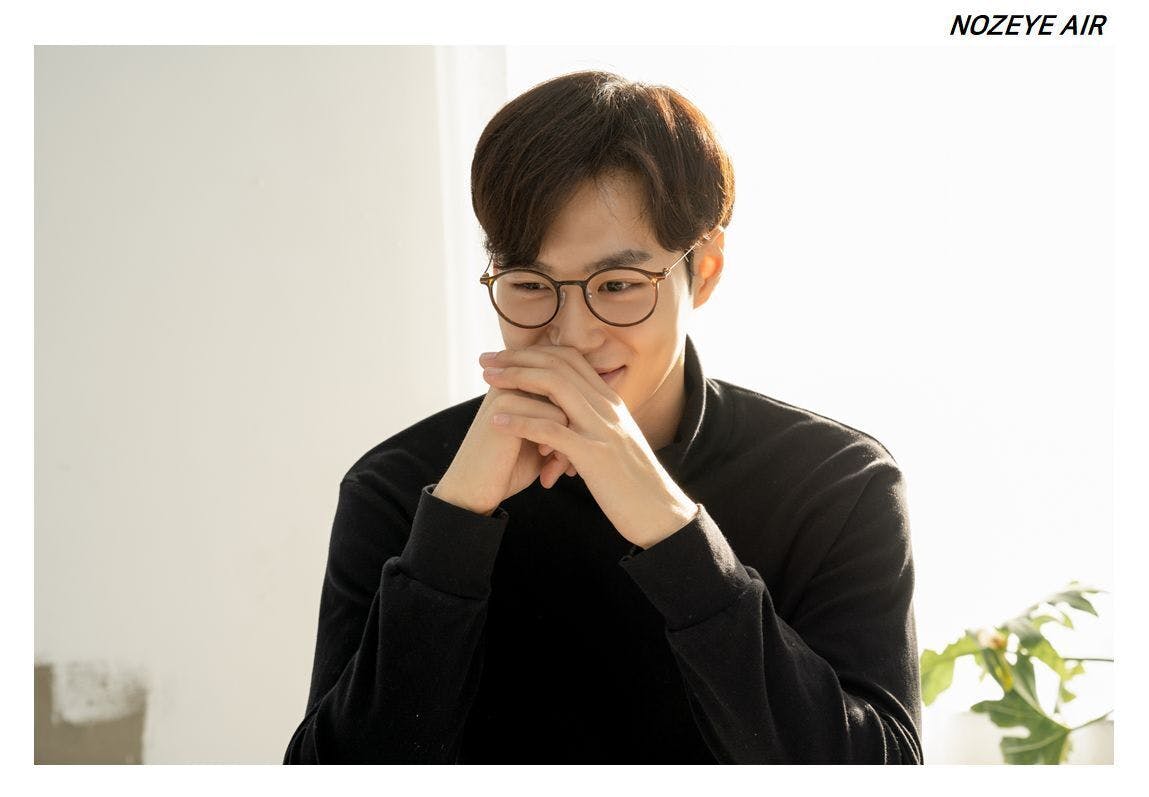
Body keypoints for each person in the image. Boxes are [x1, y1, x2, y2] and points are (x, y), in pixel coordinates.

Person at [282, 70, 923, 764]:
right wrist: (453, 528)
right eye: (530, 284)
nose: (574, 334)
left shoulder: (837, 482)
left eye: (617, 285)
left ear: (705, 270)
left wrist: (673, 533)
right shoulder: (398, 486)